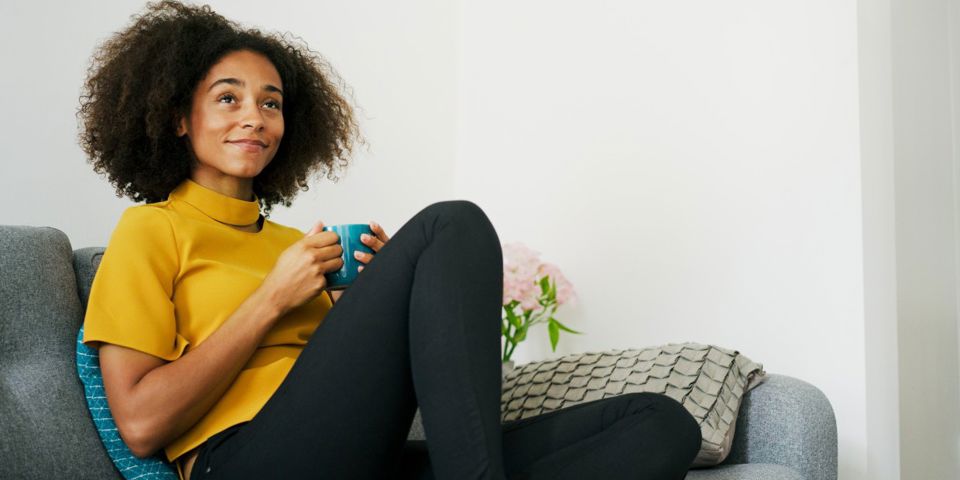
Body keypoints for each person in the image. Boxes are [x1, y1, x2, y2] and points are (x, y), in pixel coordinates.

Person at [78, 2, 702, 479]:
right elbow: (139, 424)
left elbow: (352, 388)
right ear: (178, 119)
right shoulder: (151, 229)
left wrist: (382, 306)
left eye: (271, 103)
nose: (255, 117)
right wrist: (271, 298)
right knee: (449, 224)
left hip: (357, 458)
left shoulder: (301, 247)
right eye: (227, 98)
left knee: (660, 424)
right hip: (244, 460)